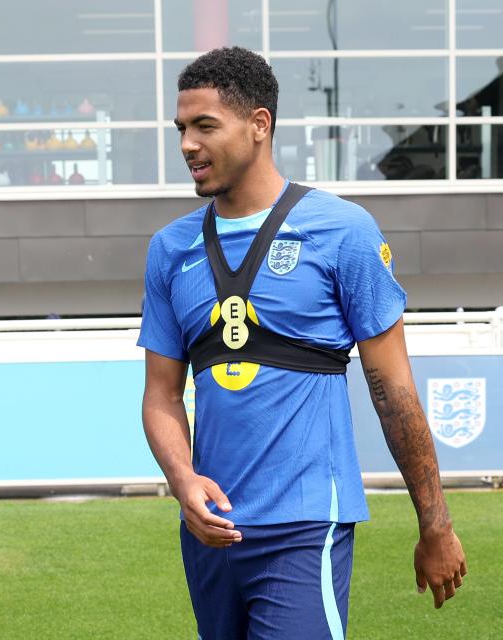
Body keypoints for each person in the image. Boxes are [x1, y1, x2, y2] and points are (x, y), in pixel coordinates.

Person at [138, 47, 466, 639]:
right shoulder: (169, 249)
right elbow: (161, 396)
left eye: (204, 126)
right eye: (182, 128)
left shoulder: (343, 230)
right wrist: (183, 480)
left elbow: (393, 390)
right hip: (209, 531)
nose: (187, 144)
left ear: (259, 125)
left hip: (304, 525)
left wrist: (435, 524)